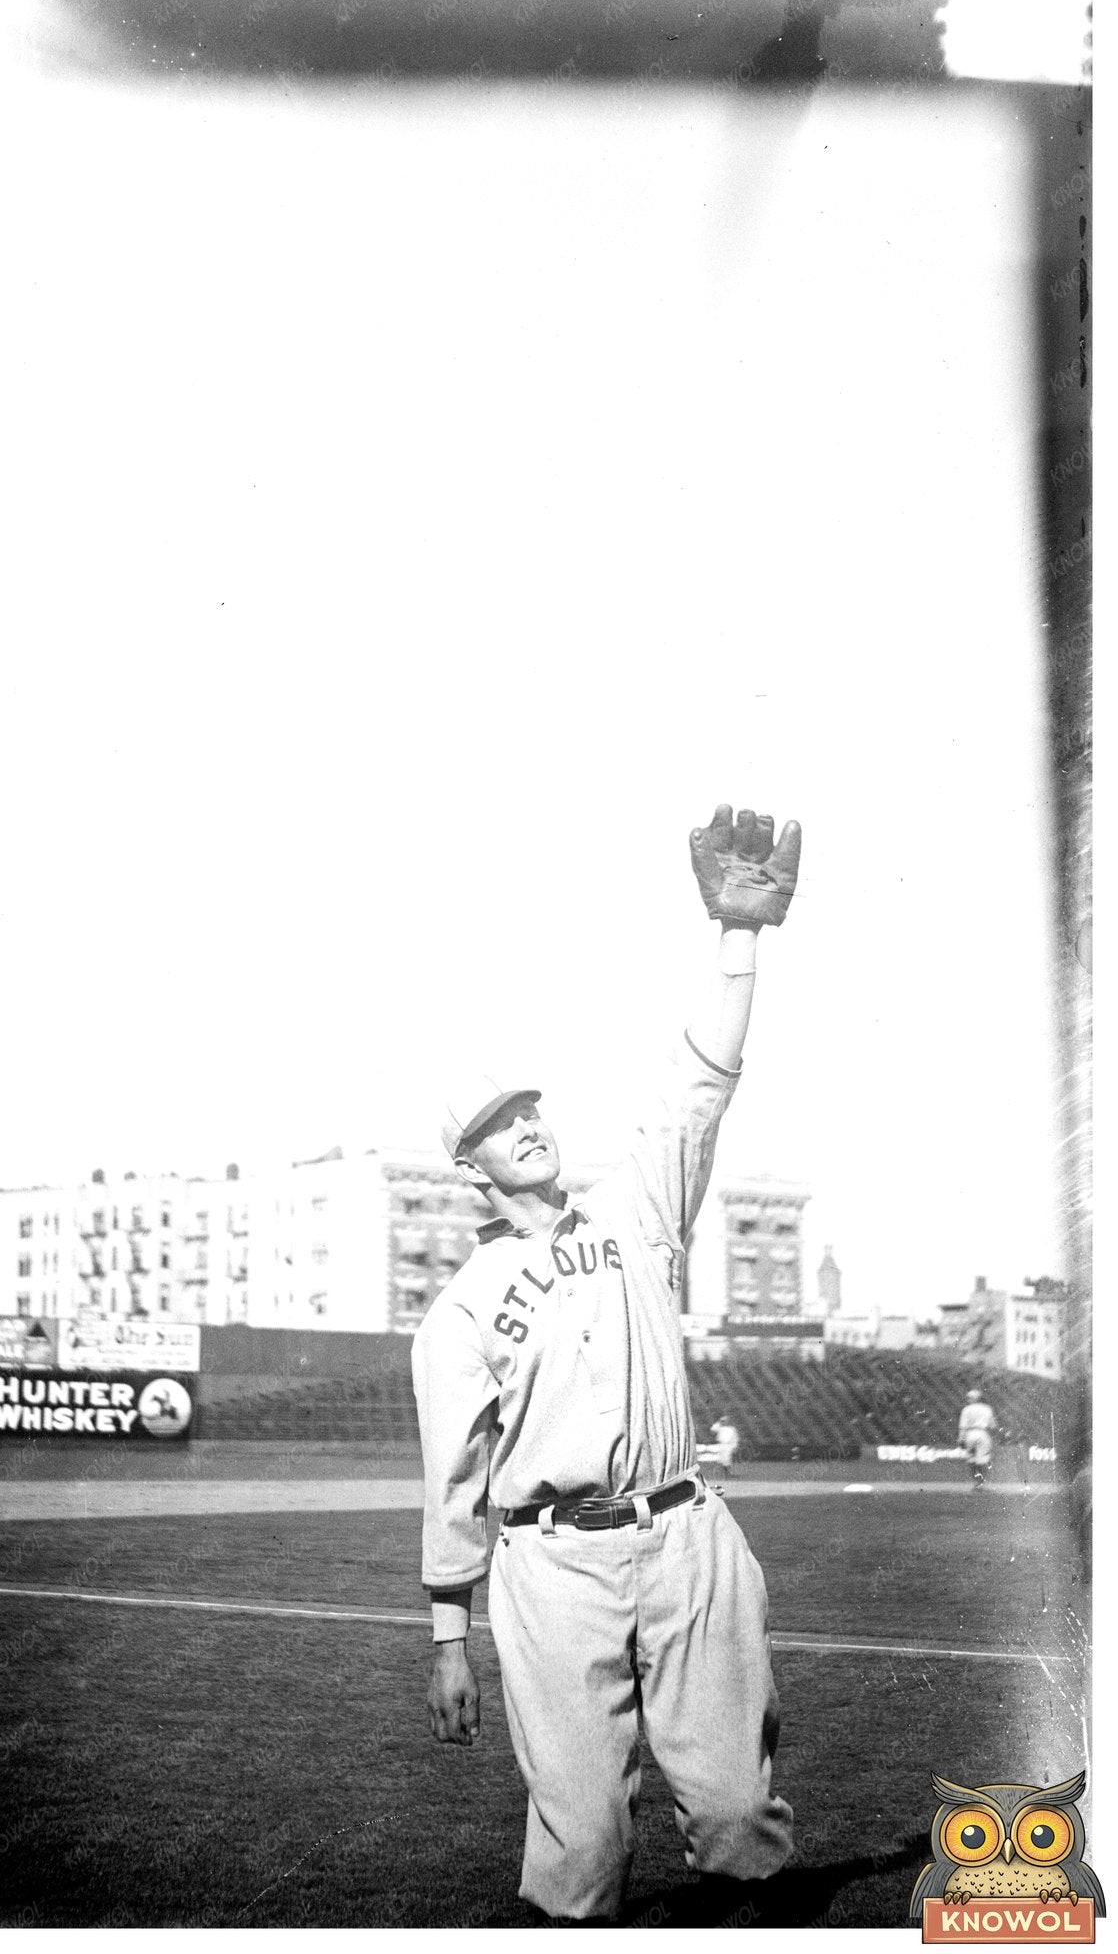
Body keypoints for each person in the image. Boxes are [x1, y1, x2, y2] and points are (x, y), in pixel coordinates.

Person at [411, 803, 801, 1924]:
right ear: (472, 1167)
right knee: (581, 1844)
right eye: (499, 1122)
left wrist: (738, 942)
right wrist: (450, 1638)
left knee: (736, 1815)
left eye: (529, 1105)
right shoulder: (459, 1309)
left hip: (685, 1536)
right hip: (552, 1568)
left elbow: (701, 1083)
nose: (526, 1123)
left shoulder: (637, 1208)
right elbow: (453, 1481)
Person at [957, 1387, 998, 1488]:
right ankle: (982, 1481)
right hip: (983, 1433)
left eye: (969, 1398)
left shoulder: (966, 1409)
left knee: (972, 1459)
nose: (968, 1400)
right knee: (983, 1458)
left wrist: (960, 1439)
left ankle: (977, 1480)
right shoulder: (987, 1408)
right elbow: (993, 1425)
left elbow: (963, 1426)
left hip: (970, 1434)